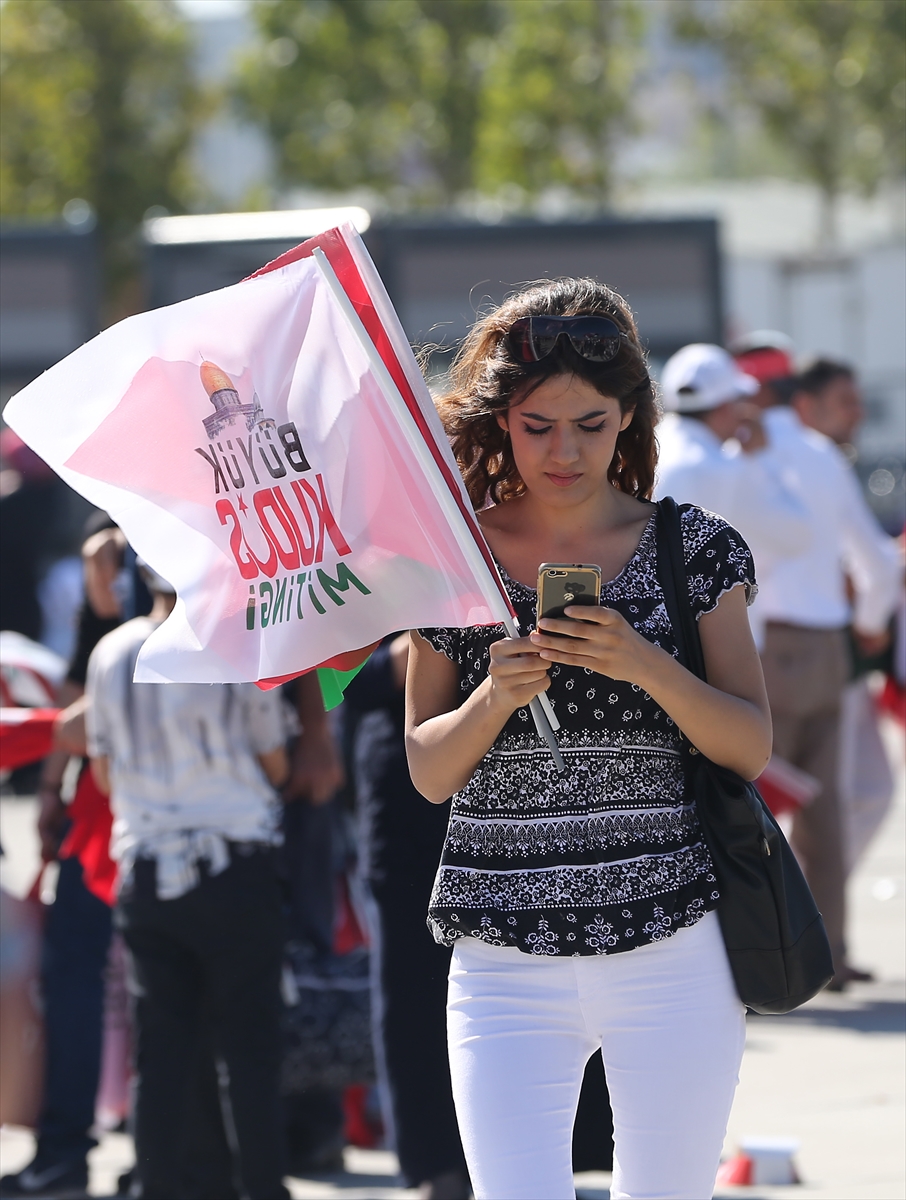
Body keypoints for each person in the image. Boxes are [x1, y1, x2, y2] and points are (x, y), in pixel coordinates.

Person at [405, 281, 772, 1200]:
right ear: (501, 420)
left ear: (630, 419)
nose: (563, 451)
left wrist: (643, 664)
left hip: (672, 941)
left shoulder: (696, 549)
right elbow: (428, 769)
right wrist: (493, 697)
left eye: (590, 424)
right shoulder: (451, 560)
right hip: (500, 956)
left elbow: (749, 745)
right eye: (537, 426)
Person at [85, 564, 291, 1200]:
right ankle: (263, 1188)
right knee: (251, 1050)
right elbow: (275, 761)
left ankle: (158, 1186)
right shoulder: (237, 641)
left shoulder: (110, 651)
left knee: (161, 1053)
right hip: (235, 868)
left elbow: (102, 772)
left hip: (148, 871)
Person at [732, 346, 902, 986]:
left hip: (758, 643)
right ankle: (826, 954)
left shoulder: (736, 455)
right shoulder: (819, 455)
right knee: (824, 812)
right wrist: (871, 620)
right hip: (828, 646)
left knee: (750, 804)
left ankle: (753, 956)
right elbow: (876, 562)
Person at [654, 343, 812, 649]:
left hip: (648, 638)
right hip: (713, 646)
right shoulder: (722, 468)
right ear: (726, 406)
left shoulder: (649, 450)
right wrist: (759, 459)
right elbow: (799, 535)